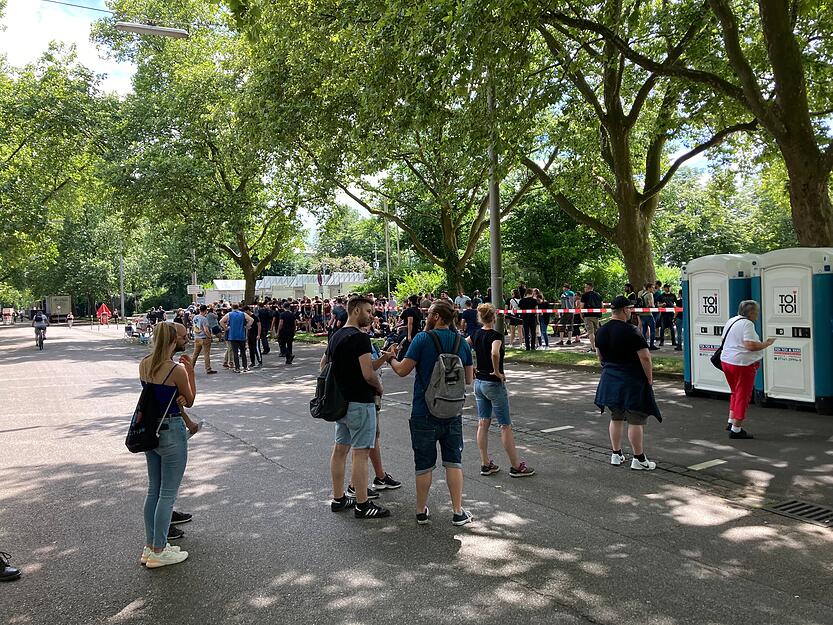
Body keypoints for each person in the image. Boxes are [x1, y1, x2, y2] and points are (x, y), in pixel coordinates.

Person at [386, 299, 475, 526]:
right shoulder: (461, 343)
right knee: (453, 462)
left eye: (429, 314)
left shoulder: (422, 339)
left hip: (423, 410)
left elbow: (403, 371)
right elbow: (469, 379)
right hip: (453, 411)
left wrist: (390, 359)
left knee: (424, 463)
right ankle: (457, 511)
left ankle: (420, 511)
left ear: (436, 316)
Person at [323, 296, 391, 519]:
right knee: (360, 454)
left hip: (341, 403)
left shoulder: (336, 336)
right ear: (355, 311)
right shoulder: (361, 338)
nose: (371, 315)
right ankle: (363, 504)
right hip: (360, 403)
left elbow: (323, 365)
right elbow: (367, 373)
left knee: (340, 450)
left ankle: (338, 497)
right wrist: (379, 387)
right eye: (368, 311)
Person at [138, 322, 198, 568]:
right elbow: (190, 399)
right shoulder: (176, 369)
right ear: (174, 340)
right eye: (183, 336)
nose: (186, 339)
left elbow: (161, 397)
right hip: (172, 431)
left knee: (154, 490)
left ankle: (151, 546)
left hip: (151, 431)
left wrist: (178, 397)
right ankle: (160, 550)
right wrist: (190, 373)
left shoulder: (144, 364)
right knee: (167, 494)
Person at [593, 296, 662, 471]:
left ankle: (616, 454)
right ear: (624, 310)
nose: (631, 311)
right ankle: (638, 458)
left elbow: (599, 356)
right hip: (631, 379)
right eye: (630, 308)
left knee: (615, 417)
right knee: (635, 419)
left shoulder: (601, 331)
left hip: (609, 378)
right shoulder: (631, 331)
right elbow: (645, 357)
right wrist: (649, 378)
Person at [468, 304, 535, 478]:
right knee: (505, 425)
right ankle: (515, 466)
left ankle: (485, 463)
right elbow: (495, 353)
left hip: (479, 382)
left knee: (483, 422)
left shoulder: (475, 334)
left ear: (480, 318)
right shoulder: (496, 336)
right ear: (494, 317)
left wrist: (471, 368)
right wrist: (497, 371)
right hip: (493, 383)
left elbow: (461, 346)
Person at [720, 300, 775, 439]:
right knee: (743, 395)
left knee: (735, 392)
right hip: (742, 364)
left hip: (727, 361)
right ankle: (736, 429)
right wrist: (766, 344)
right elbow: (749, 345)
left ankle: (731, 421)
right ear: (751, 312)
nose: (757, 314)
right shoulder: (747, 324)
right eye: (756, 311)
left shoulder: (732, 320)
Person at [220, 303, 253, 372]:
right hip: (241, 335)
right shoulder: (243, 314)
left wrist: (226, 328)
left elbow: (221, 321)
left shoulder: (229, 314)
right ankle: (245, 367)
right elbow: (251, 320)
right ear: (238, 307)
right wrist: (246, 326)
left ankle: (237, 368)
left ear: (232, 307)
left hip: (232, 336)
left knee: (235, 352)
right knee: (243, 352)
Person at [191, 305, 217, 374]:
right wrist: (210, 336)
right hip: (204, 338)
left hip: (197, 337)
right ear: (205, 310)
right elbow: (206, 330)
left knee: (195, 354)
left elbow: (194, 327)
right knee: (206, 354)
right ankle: (208, 368)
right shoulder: (204, 319)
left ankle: (190, 367)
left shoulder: (195, 317)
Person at [580, 282, 604, 353]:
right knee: (597, 332)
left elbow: (582, 306)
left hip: (588, 316)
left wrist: (581, 314)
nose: (584, 289)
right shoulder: (598, 295)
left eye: (585, 287)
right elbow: (602, 306)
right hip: (596, 316)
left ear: (588, 288)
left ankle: (593, 348)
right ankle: (599, 347)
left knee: (590, 332)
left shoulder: (584, 295)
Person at [637, 283, 659, 350]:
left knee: (644, 330)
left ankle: (644, 344)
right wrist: (655, 306)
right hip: (648, 314)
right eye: (652, 287)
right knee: (653, 329)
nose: (653, 289)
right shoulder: (650, 294)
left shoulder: (643, 294)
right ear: (648, 288)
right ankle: (652, 345)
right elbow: (651, 305)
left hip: (642, 314)